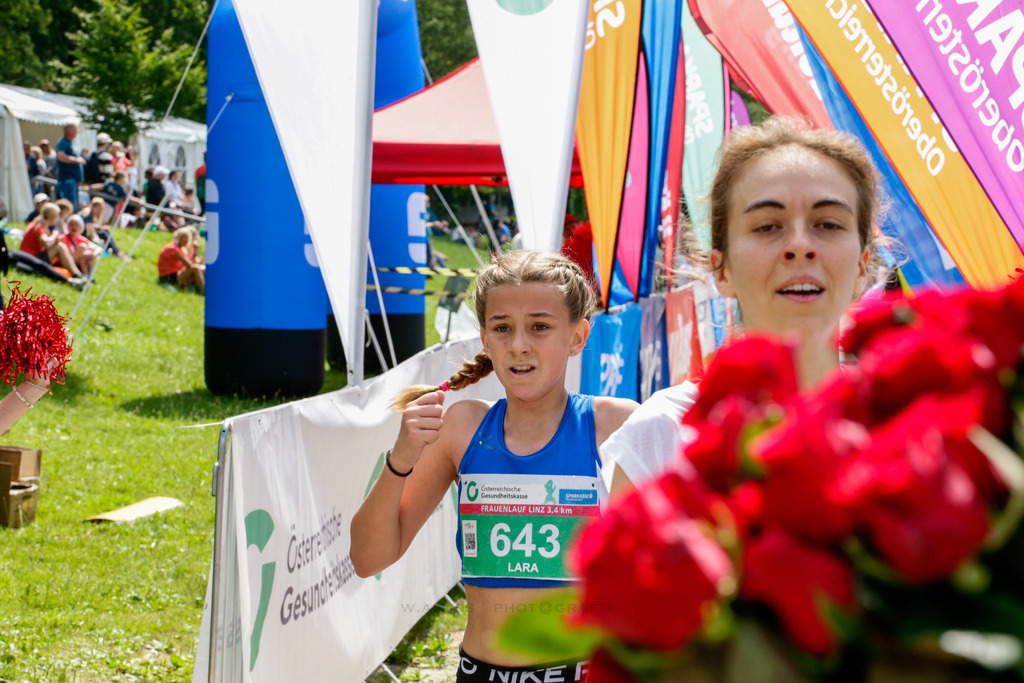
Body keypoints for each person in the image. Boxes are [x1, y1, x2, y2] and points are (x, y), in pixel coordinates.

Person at [350, 250, 638, 682]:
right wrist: (401, 460)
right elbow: (367, 558)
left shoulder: (614, 426)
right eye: (503, 328)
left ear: (577, 336)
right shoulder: (462, 427)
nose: (519, 345)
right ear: (485, 338)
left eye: (539, 326)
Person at [600, 116, 882, 492]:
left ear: (862, 266)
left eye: (828, 224)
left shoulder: (906, 427)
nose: (800, 245)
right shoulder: (663, 433)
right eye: (767, 226)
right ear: (721, 269)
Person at [15, 202, 87, 287]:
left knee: (60, 246)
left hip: (29, 256)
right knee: (60, 247)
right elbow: (46, 243)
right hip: (30, 258)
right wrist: (54, 235)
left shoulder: (38, 223)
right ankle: (77, 274)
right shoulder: (39, 226)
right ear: (53, 217)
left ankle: (77, 274)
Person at [158, 227, 205, 294]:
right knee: (196, 268)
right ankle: (204, 291)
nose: (186, 240)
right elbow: (189, 265)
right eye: (184, 237)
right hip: (168, 277)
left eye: (187, 238)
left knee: (202, 269)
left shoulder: (180, 249)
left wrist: (195, 252)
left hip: (175, 274)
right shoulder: (173, 248)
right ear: (178, 237)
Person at [560, 214, 595, 286]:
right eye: (567, 229)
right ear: (563, 233)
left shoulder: (588, 235)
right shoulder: (565, 249)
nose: (571, 231)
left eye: (573, 226)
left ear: (579, 224)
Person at [55, 124, 86, 204]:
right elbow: (60, 156)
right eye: (76, 130)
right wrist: (77, 160)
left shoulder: (71, 143)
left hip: (74, 181)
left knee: (75, 206)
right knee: (70, 206)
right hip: (67, 180)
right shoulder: (63, 142)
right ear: (70, 131)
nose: (77, 132)